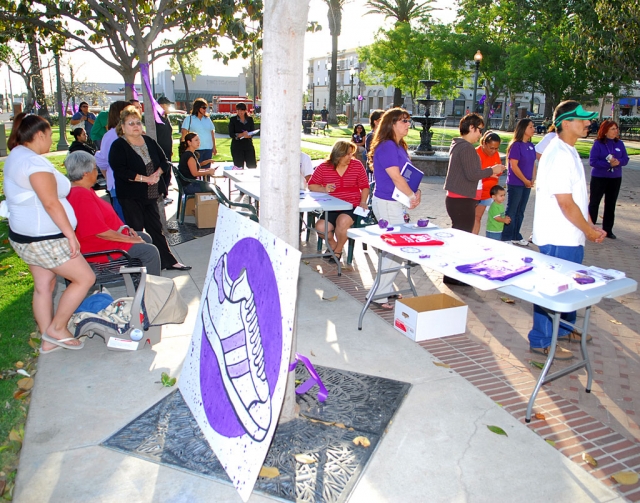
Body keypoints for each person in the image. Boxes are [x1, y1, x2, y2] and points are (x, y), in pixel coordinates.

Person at [4, 113, 95, 353]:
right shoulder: (32, 163)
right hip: (44, 238)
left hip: (26, 236)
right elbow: (51, 203)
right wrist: (70, 234)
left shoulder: (18, 155)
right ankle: (57, 328)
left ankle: (48, 339)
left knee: (44, 284)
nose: (53, 141)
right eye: (51, 136)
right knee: (85, 278)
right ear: (40, 135)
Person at [529, 100, 605, 360]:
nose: (588, 123)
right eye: (582, 119)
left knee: (568, 287)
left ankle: (563, 329)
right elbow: (565, 203)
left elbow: (577, 197)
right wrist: (590, 231)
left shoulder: (569, 150)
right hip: (558, 236)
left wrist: (588, 225)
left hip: (570, 234)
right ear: (565, 123)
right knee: (552, 289)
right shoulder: (559, 154)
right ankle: (541, 339)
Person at [109, 105, 191, 271]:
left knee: (156, 229)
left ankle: (168, 261)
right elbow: (120, 169)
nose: (135, 126)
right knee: (136, 230)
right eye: (130, 123)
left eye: (138, 122)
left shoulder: (149, 141)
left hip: (151, 194)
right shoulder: (118, 146)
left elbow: (164, 160)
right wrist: (144, 178)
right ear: (122, 127)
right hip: (131, 196)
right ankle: (138, 266)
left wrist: (156, 174)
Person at [66, 151, 161, 276]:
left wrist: (126, 231)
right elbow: (99, 232)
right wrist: (129, 239)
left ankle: (142, 285)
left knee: (144, 237)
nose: (97, 172)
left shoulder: (84, 190)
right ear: (86, 173)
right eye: (95, 168)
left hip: (102, 242)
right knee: (150, 252)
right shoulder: (80, 195)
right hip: (99, 249)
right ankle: (151, 292)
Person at [368, 108, 421, 307]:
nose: (408, 124)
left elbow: (408, 174)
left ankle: (385, 290)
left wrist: (416, 192)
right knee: (396, 249)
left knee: (393, 249)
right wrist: (410, 195)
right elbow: (396, 176)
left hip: (396, 202)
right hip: (388, 202)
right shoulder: (387, 146)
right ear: (392, 123)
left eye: (409, 120)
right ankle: (379, 294)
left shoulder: (399, 146)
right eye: (404, 120)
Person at [308, 140, 369, 262]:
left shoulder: (356, 165)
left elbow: (365, 186)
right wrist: (324, 189)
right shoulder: (324, 167)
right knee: (320, 227)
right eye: (347, 154)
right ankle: (333, 244)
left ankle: (338, 251)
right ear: (338, 155)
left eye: (351, 154)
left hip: (351, 206)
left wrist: (363, 202)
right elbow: (311, 185)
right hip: (331, 206)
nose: (350, 157)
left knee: (343, 221)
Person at [588, 120, 629, 240]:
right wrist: (608, 164)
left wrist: (619, 162)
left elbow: (625, 158)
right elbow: (592, 161)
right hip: (599, 177)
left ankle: (608, 230)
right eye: (612, 129)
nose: (616, 131)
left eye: (616, 128)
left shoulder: (619, 144)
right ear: (605, 131)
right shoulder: (598, 144)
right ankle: (591, 227)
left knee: (610, 204)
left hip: (615, 178)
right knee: (594, 202)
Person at [502, 118, 537, 245]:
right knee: (512, 210)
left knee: (520, 211)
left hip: (527, 184)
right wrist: (524, 180)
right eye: (531, 127)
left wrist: (532, 179)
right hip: (516, 184)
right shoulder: (516, 145)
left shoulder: (531, 145)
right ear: (523, 129)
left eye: (533, 127)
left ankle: (516, 235)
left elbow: (533, 164)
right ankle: (506, 237)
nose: (534, 129)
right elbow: (514, 166)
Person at [95, 101, 129, 221]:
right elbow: (104, 160)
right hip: (119, 186)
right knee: (125, 223)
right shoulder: (111, 136)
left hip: (136, 187)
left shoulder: (134, 132)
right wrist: (108, 177)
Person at [472, 131, 503, 235]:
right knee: (470, 218)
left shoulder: (496, 154)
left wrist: (499, 170)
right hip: (475, 192)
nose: (494, 151)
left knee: (477, 217)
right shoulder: (475, 153)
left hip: (487, 194)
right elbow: (473, 174)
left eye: (496, 148)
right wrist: (489, 173)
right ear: (484, 144)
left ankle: (474, 239)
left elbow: (497, 170)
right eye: (491, 148)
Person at [180, 98, 217, 165]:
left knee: (206, 171)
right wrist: (185, 148)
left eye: (206, 107)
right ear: (197, 108)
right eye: (203, 107)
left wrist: (214, 147)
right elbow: (184, 134)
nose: (205, 109)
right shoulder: (189, 119)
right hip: (196, 149)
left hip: (208, 148)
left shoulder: (207, 119)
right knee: (196, 170)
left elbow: (212, 133)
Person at [156, 96, 175, 204]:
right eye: (167, 105)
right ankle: (161, 195)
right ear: (162, 105)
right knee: (162, 173)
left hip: (167, 150)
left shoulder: (165, 117)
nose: (169, 107)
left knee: (167, 172)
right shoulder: (156, 118)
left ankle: (165, 194)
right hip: (160, 150)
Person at [228, 103, 257, 169]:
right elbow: (231, 133)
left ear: (245, 110)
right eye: (238, 110)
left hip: (248, 145)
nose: (240, 112)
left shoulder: (250, 119)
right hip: (237, 146)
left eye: (241, 110)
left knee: (252, 165)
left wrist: (249, 135)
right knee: (239, 167)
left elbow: (252, 131)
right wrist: (241, 135)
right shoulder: (233, 120)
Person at [364, 109, 384, 177]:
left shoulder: (386, 136)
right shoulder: (371, 136)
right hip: (373, 171)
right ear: (376, 122)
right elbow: (371, 154)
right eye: (383, 119)